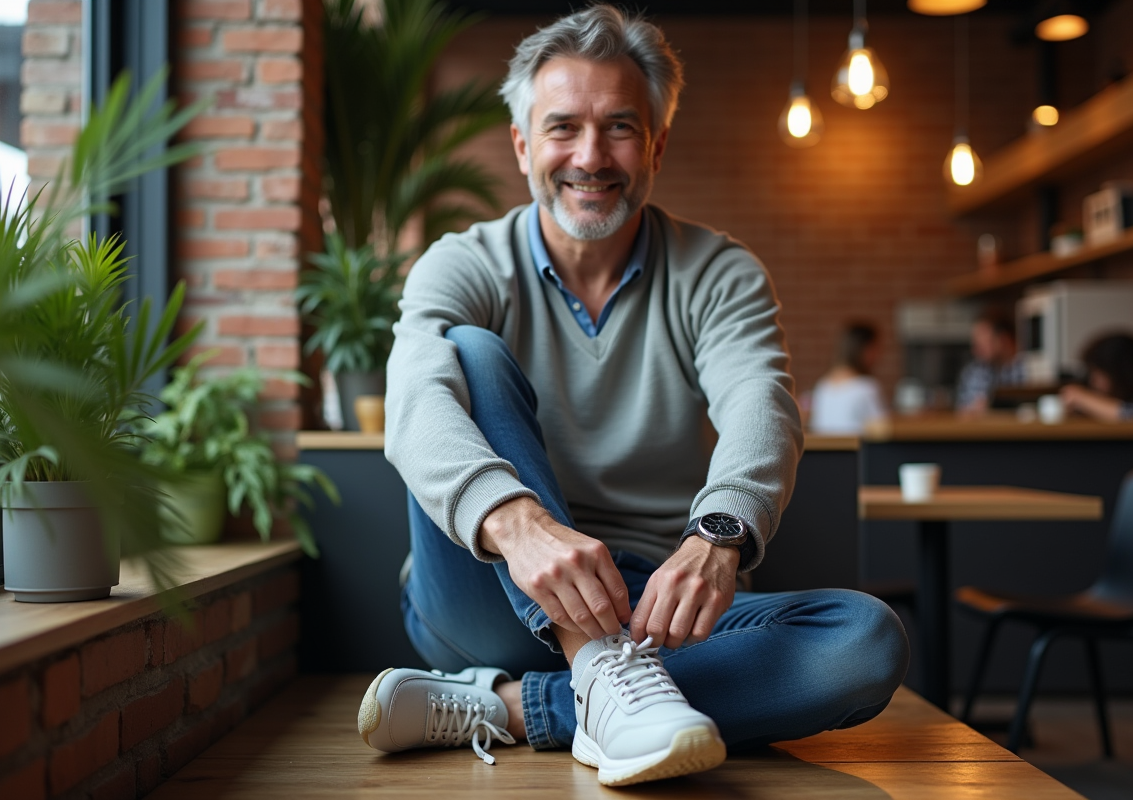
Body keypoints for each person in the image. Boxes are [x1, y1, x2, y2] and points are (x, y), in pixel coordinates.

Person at [361, 6, 908, 787]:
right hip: (487, 588)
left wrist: (717, 537)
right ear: (522, 146)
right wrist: (521, 528)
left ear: (657, 144)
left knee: (865, 641)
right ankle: (596, 672)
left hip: (655, 603)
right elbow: (415, 402)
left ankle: (514, 708)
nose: (591, 155)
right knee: (465, 355)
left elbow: (763, 404)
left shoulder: (718, 273)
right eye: (563, 128)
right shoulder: (463, 264)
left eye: (620, 127)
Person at [1059, 333, 1133, 421]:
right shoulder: (1111, 398)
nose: (1093, 381)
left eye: (1098, 374)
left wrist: (1080, 397)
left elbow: (1130, 415)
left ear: (1119, 374)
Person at [809, 322, 887, 435]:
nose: (879, 355)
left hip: (825, 452)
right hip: (856, 452)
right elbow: (883, 431)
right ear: (866, 350)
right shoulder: (866, 387)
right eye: (876, 348)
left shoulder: (822, 385)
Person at [955, 308, 1023, 413]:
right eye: (975, 344)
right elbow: (962, 411)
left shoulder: (1028, 368)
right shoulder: (974, 372)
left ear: (1003, 339)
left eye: (982, 345)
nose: (975, 351)